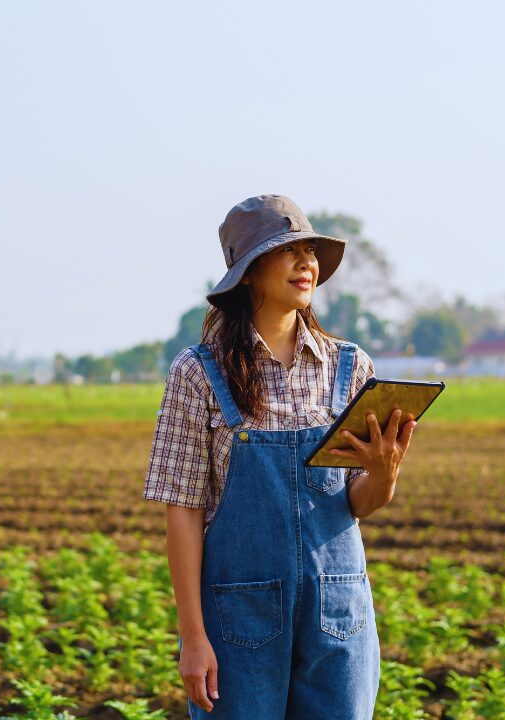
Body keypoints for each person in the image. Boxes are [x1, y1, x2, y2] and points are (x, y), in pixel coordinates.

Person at [142, 194, 417, 718]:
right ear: (247, 272)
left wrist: (384, 473)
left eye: (310, 250)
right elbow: (182, 512)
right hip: (236, 620)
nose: (306, 262)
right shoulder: (199, 373)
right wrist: (192, 638)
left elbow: (359, 503)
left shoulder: (349, 366)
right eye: (288, 250)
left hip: (337, 614)